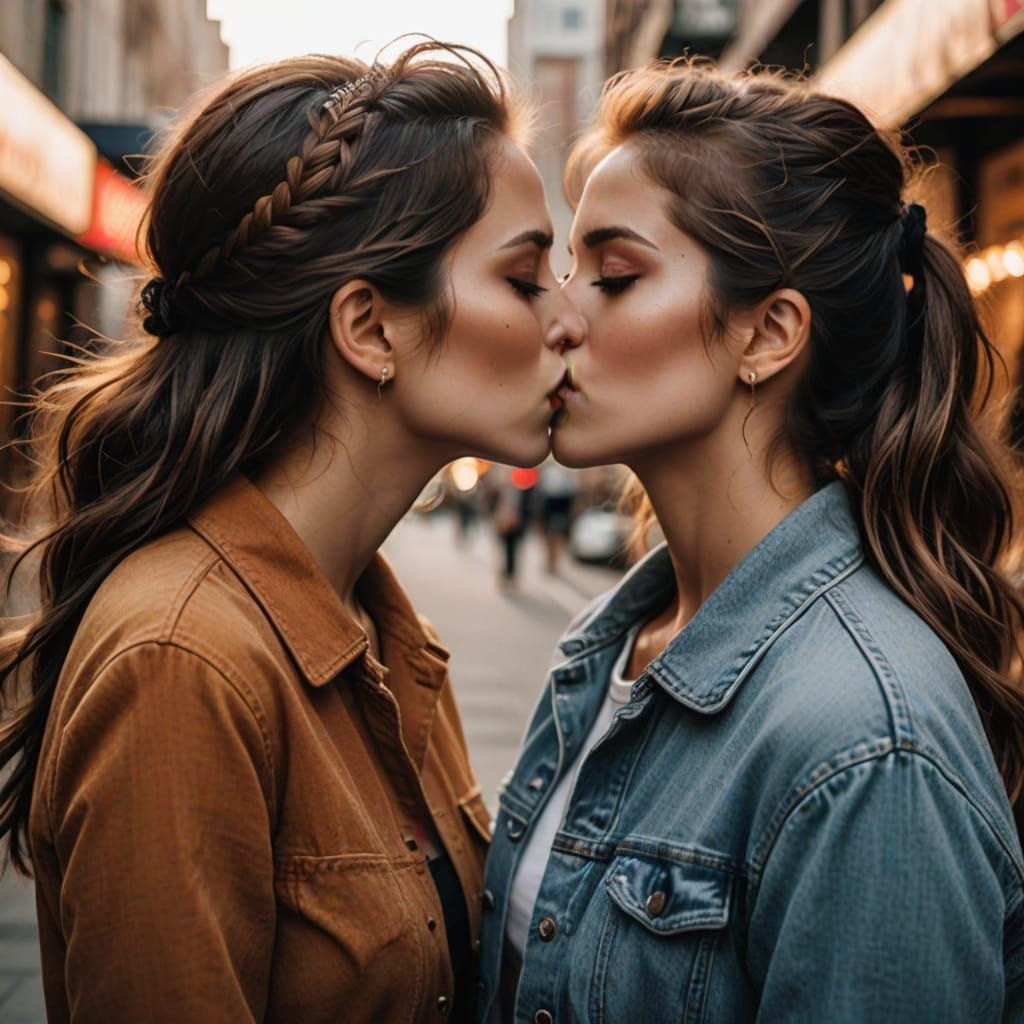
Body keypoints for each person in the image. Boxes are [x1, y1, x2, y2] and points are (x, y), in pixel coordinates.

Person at [0, 42, 583, 1023]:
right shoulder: (182, 658)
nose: (567, 318)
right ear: (369, 328)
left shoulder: (382, 640)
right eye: (525, 279)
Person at [478, 60, 1024, 1023]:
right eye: (567, 273)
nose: (560, 314)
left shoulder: (866, 744)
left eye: (614, 275)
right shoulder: (616, 649)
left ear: (768, 334)